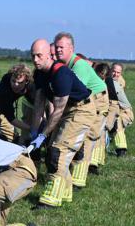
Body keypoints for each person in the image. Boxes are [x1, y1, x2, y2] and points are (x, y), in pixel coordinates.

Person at [28, 39, 96, 208]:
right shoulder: (39, 73)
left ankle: (50, 200)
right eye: (32, 56)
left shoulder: (61, 74)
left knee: (58, 151)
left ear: (49, 55)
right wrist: (34, 130)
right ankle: (65, 193)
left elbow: (58, 109)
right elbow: (39, 103)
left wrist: (44, 134)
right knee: (53, 148)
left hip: (81, 110)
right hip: (67, 110)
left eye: (39, 55)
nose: (35, 60)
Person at [53, 33, 108, 188]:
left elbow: (75, 91)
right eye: (56, 47)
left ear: (71, 48)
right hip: (87, 98)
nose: (58, 50)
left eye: (61, 47)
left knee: (87, 138)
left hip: (97, 99)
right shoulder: (66, 64)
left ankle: (78, 180)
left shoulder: (79, 66)